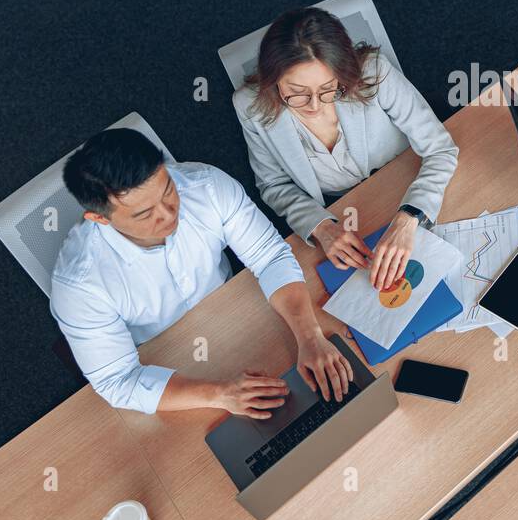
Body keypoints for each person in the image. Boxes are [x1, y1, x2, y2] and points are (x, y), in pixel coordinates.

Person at [51, 128, 353, 417]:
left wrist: (310, 338)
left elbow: (270, 256)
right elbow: (117, 380)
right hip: (163, 359)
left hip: (236, 309)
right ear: (98, 219)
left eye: (167, 190)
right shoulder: (79, 286)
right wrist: (219, 394)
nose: (169, 214)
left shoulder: (206, 185)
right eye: (145, 214)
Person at [233, 7, 458, 291]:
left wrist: (409, 218)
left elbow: (440, 150)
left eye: (329, 89)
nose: (315, 106)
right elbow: (273, 184)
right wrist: (320, 227)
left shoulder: (373, 72)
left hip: (411, 180)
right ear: (272, 79)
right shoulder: (249, 106)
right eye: (297, 93)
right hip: (343, 211)